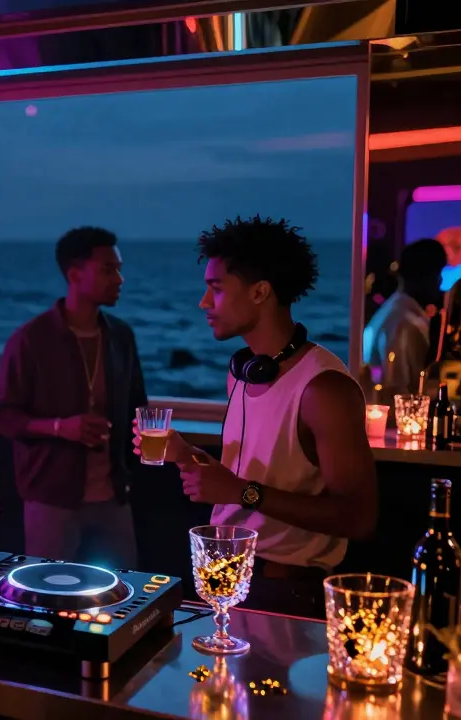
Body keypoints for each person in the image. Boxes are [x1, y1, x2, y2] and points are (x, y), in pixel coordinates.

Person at [136, 215, 377, 618]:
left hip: (286, 594)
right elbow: (239, 483)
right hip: (227, 578)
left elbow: (358, 517)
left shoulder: (325, 389)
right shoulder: (242, 374)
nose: (204, 302)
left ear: (260, 292)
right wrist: (184, 453)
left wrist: (241, 492)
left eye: (216, 288)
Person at [0, 226, 146, 569]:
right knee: (48, 591)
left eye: (119, 269)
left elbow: (138, 406)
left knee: (124, 589)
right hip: (52, 498)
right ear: (75, 275)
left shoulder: (121, 336)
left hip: (114, 497)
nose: (119, 279)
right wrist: (61, 427)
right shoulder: (31, 340)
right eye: (109, 269)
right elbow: (1, 415)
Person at [362, 238, 447, 406]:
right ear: (425, 276)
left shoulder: (393, 310)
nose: (440, 282)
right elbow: (397, 389)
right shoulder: (404, 322)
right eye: (438, 274)